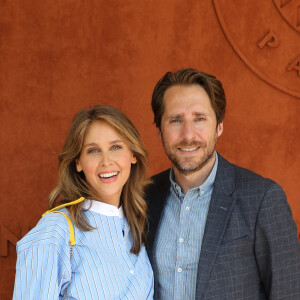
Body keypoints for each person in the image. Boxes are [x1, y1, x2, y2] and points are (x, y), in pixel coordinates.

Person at [146, 68, 300, 299]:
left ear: (219, 126)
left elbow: (289, 292)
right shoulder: (144, 197)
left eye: (200, 119)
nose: (188, 135)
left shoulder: (262, 199)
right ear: (159, 131)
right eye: (175, 120)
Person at [13, 105, 154, 299]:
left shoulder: (136, 224)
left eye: (115, 147)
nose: (106, 161)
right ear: (78, 162)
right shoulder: (56, 230)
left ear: (133, 155)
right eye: (93, 150)